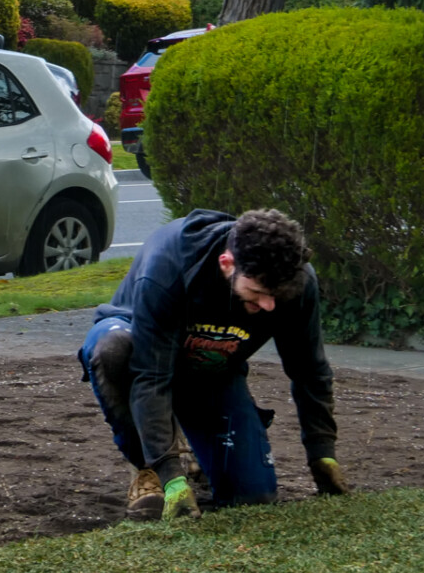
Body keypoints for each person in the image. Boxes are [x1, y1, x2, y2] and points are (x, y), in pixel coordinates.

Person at [80, 207, 349, 520]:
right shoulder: (171, 264)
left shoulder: (297, 280)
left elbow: (309, 370)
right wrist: (170, 475)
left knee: (253, 496)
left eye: (276, 295)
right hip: (140, 350)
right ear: (226, 263)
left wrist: (322, 453)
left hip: (210, 367)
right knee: (112, 350)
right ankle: (147, 468)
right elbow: (150, 375)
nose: (268, 305)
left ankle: (200, 450)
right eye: (258, 292)